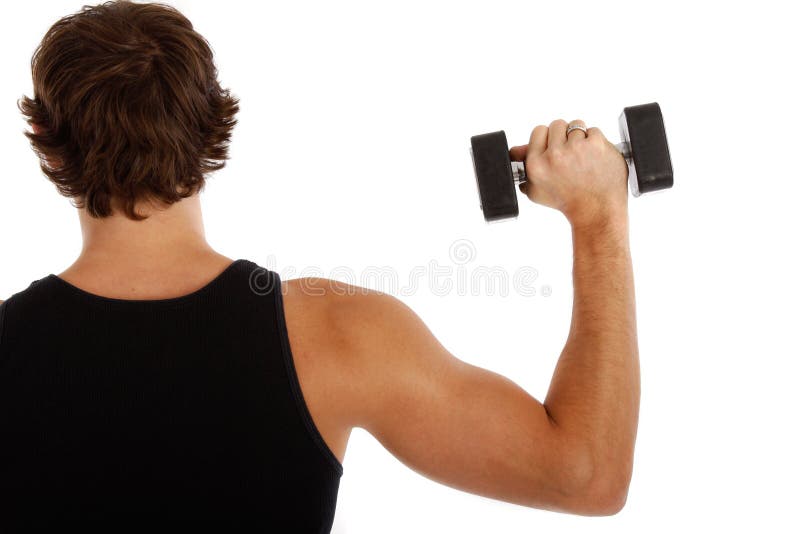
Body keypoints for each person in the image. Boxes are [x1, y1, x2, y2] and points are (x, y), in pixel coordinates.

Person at [0, 1, 640, 531]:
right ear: (210, 128)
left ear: (49, 147)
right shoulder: (337, 337)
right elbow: (586, 475)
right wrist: (599, 220)